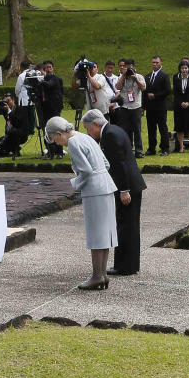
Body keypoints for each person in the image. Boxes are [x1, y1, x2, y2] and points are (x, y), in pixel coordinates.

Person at [45, 116, 118, 290]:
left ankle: (97, 275)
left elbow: (85, 170)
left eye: (54, 139)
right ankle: (102, 275)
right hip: (106, 186)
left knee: (96, 234)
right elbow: (106, 164)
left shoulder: (73, 142)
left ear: (59, 133)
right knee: (105, 233)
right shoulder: (86, 137)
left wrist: (74, 184)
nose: (56, 143)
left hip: (94, 191)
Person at [81, 110, 147, 276]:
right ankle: (130, 264)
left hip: (128, 186)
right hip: (132, 184)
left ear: (95, 124)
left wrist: (124, 190)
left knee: (125, 226)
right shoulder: (114, 130)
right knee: (129, 226)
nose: (89, 133)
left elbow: (120, 164)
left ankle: (124, 266)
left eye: (88, 129)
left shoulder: (109, 134)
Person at [115, 58, 146, 158]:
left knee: (137, 129)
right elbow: (118, 87)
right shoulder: (122, 77)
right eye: (125, 67)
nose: (128, 69)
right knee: (125, 129)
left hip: (136, 106)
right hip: (125, 106)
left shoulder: (139, 76)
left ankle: (139, 151)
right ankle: (128, 150)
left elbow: (143, 88)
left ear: (133, 67)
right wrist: (124, 75)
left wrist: (135, 79)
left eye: (129, 67)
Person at [144, 55, 171, 156]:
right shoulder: (148, 76)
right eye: (153, 63)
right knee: (151, 128)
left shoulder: (164, 76)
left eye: (157, 62)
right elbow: (145, 91)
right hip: (150, 108)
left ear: (161, 63)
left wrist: (155, 96)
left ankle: (165, 148)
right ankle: (151, 148)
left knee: (162, 127)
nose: (154, 64)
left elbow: (168, 90)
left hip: (160, 107)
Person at [0, 92, 29, 156]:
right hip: (8, 135)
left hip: (20, 134)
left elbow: (17, 122)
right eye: (5, 101)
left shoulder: (20, 109)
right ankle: (12, 149)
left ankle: (15, 151)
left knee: (13, 133)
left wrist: (9, 111)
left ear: (13, 100)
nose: (7, 103)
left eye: (8, 101)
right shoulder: (4, 110)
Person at [38, 60, 64, 158]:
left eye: (50, 67)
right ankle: (50, 151)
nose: (48, 70)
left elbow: (49, 84)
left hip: (54, 108)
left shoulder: (54, 78)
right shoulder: (41, 81)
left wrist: (42, 78)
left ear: (52, 68)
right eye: (46, 68)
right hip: (44, 108)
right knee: (46, 130)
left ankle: (59, 152)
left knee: (56, 128)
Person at [72, 60, 109, 125]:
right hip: (91, 109)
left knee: (103, 128)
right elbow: (74, 87)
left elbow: (97, 86)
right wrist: (75, 76)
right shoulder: (85, 79)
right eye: (91, 67)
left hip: (102, 109)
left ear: (97, 69)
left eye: (94, 67)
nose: (92, 69)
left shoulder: (100, 77)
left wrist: (89, 76)